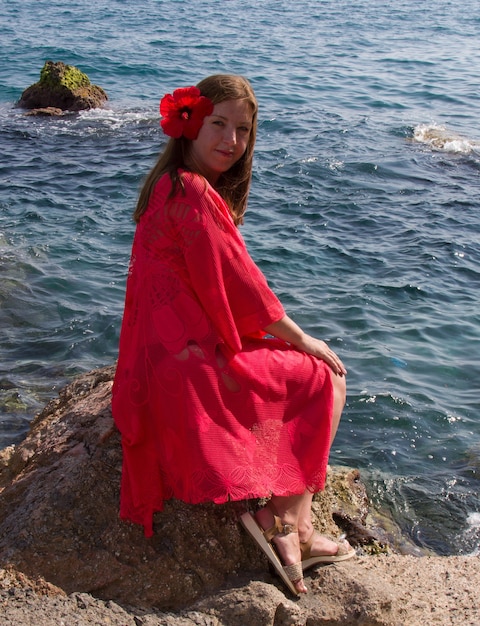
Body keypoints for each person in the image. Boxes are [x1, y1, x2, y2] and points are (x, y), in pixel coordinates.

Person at [112, 74, 355, 597]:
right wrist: (303, 338)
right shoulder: (192, 191)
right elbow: (244, 289)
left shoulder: (167, 184)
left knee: (299, 373)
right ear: (190, 125)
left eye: (242, 130)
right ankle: (291, 529)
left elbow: (215, 285)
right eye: (218, 124)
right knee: (323, 376)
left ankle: (289, 526)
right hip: (186, 366)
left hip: (159, 358)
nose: (230, 141)